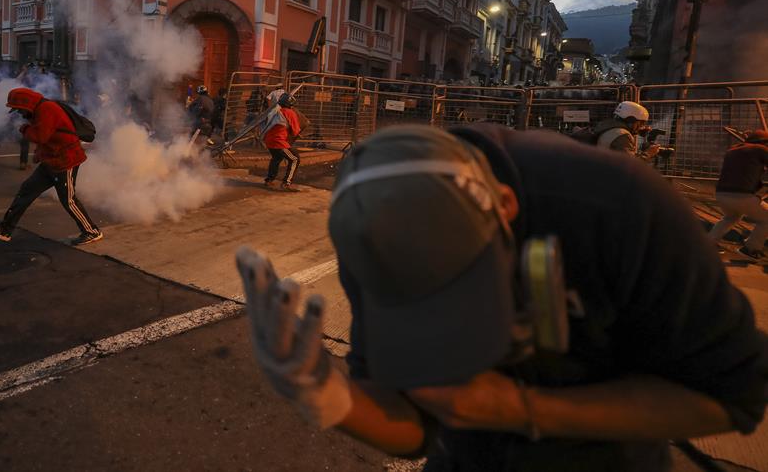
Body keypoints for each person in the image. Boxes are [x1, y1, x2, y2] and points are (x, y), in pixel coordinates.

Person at [236, 124, 767, 472]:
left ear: (507, 207)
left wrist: (523, 408)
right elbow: (418, 425)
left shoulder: (616, 206)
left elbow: (734, 397)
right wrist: (329, 395)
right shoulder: (374, 229)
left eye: (465, 299)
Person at [0, 87, 102, 246]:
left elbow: (40, 136)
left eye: (18, 110)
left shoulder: (46, 109)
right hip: (51, 160)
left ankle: (92, 231)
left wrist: (25, 129)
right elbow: (48, 136)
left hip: (66, 160)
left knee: (68, 200)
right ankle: (5, 229)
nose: (19, 114)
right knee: (26, 190)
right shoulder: (39, 109)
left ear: (26, 105)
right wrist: (40, 153)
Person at [707, 130, 768, 260]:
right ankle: (751, 248)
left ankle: (709, 243)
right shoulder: (761, 149)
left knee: (731, 217)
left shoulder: (733, 150)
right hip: (742, 195)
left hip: (722, 193)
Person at [591, 101, 660, 159]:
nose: (641, 126)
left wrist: (636, 131)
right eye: (641, 123)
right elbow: (631, 165)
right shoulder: (622, 136)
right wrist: (648, 153)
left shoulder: (609, 127)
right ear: (631, 119)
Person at [262, 92, 301, 191]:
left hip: (269, 140)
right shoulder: (290, 113)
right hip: (278, 142)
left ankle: (269, 180)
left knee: (276, 158)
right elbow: (295, 131)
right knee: (295, 158)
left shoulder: (275, 111)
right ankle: (287, 183)